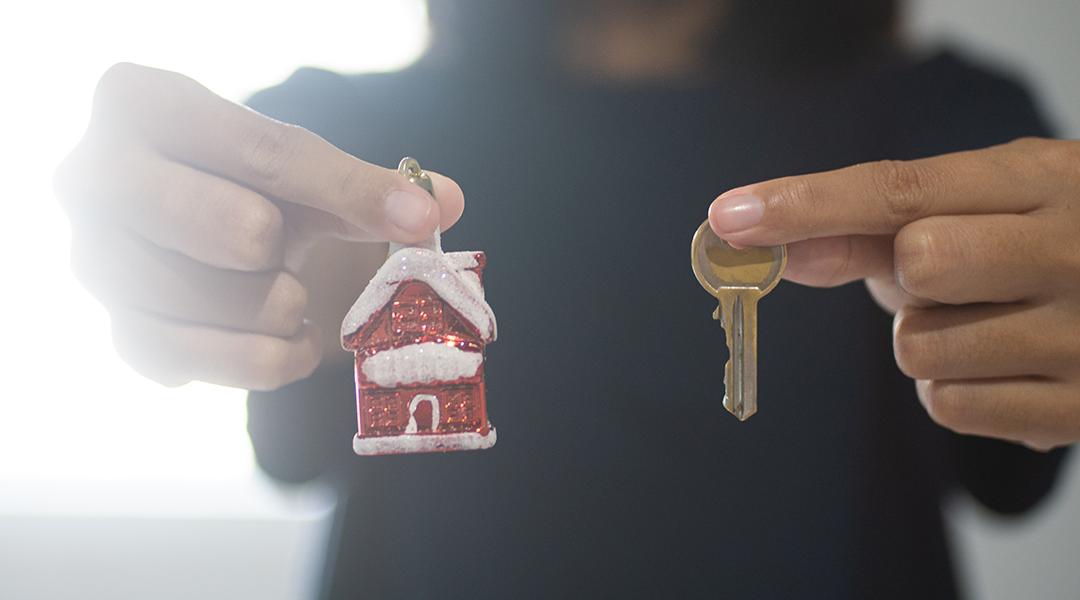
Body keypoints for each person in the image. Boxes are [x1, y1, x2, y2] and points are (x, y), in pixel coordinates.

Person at [55, 1, 1077, 597]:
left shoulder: (957, 128)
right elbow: (286, 432)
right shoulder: (352, 131)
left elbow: (1013, 471)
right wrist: (206, 244)